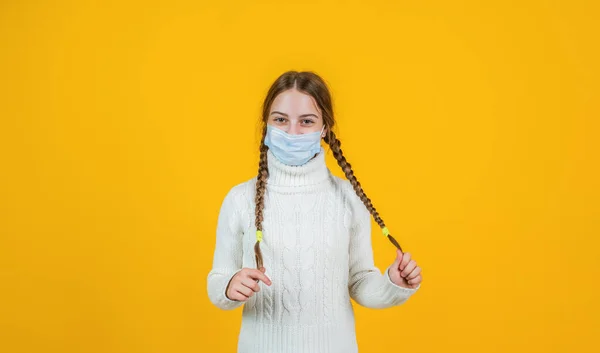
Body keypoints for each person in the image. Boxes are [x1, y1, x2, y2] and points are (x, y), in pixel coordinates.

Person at [207, 70, 422, 353]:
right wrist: (230, 286)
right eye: (280, 119)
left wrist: (392, 284)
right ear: (267, 125)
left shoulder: (347, 198)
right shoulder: (239, 200)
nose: (292, 132)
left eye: (306, 121)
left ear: (324, 129)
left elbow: (359, 281)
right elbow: (217, 280)